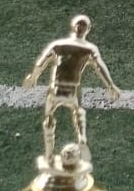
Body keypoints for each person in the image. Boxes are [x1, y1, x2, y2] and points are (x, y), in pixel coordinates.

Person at [21, 14, 121, 163]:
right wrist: (110, 85)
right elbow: (99, 67)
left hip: (55, 88)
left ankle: (49, 154)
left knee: (48, 118)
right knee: (78, 111)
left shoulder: (59, 45)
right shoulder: (89, 49)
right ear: (87, 30)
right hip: (72, 90)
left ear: (73, 27)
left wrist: (33, 76)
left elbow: (42, 62)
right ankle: (82, 137)